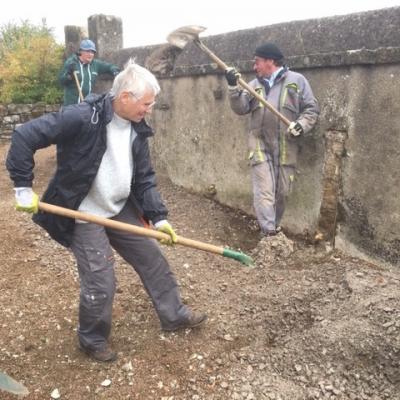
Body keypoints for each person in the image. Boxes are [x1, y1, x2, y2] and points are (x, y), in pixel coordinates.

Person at [6, 59, 207, 362]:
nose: (149, 109)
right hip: (83, 210)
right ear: (126, 97)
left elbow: (144, 178)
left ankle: (174, 315)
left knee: (152, 258)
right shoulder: (83, 117)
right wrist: (23, 187)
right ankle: (91, 338)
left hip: (118, 206)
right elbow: (25, 136)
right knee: (101, 280)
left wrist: (159, 217)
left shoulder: (137, 128)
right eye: (147, 103)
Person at [224, 43, 319, 237]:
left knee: (282, 192)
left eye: (257, 61)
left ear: (270, 61)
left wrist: (301, 125)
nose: (254, 66)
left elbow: (311, 110)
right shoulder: (253, 85)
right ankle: (269, 233)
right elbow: (240, 108)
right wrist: (233, 87)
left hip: (287, 145)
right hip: (259, 143)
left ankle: (273, 227)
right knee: (264, 191)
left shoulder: (297, 81)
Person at [59, 39, 120, 106]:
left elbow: (108, 66)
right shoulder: (71, 62)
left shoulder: (95, 64)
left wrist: (115, 71)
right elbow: (61, 81)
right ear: (81, 51)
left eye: (92, 52)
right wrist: (69, 75)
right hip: (71, 106)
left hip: (85, 106)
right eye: (88, 51)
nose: (91, 54)